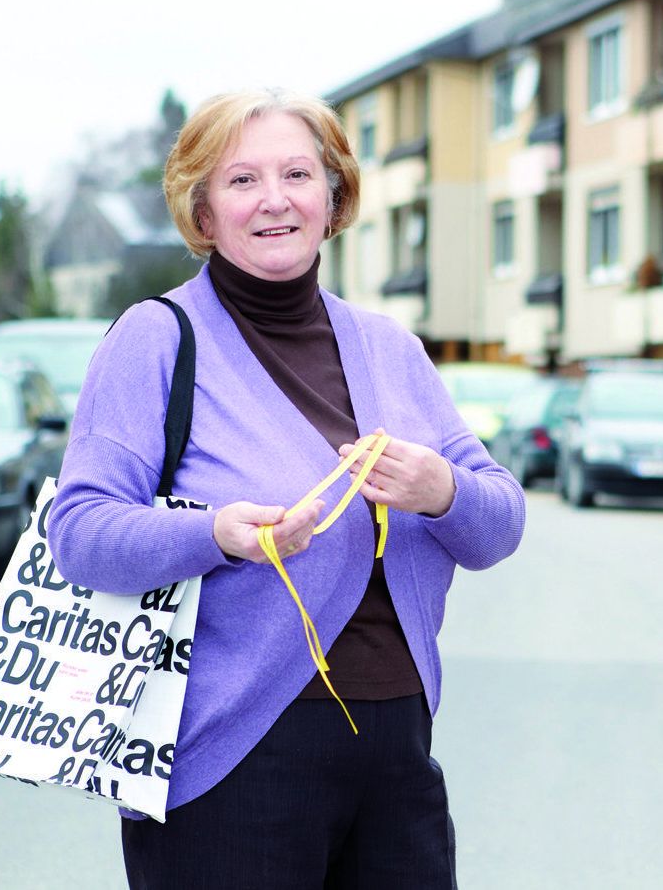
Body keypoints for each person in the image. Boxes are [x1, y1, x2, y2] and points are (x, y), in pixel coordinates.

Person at [48, 88, 526, 888]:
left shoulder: (390, 348)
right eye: (241, 181)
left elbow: (498, 525)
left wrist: (443, 487)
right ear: (202, 212)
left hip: (398, 759)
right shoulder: (156, 339)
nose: (274, 200)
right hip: (229, 762)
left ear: (333, 197)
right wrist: (216, 534)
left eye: (298, 174)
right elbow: (81, 531)